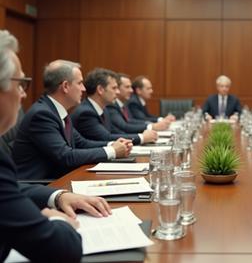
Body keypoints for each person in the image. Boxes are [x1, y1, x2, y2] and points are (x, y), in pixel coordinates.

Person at [0, 30, 112, 263]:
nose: (23, 95)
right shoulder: (43, 112)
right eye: (21, 83)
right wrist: (55, 217)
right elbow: (64, 249)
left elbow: (9, 188)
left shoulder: (58, 112)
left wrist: (59, 196)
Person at [12, 60, 132, 180]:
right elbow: (66, 157)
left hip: (60, 179)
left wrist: (114, 144)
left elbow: (81, 143)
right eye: (79, 83)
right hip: (40, 185)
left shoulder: (59, 111)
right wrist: (112, 151)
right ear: (65, 86)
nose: (84, 89)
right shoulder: (41, 115)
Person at [70, 68, 158, 144]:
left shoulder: (103, 108)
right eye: (114, 88)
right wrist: (141, 137)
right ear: (100, 89)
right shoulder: (86, 113)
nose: (118, 92)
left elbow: (115, 131)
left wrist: (141, 136)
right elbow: (106, 137)